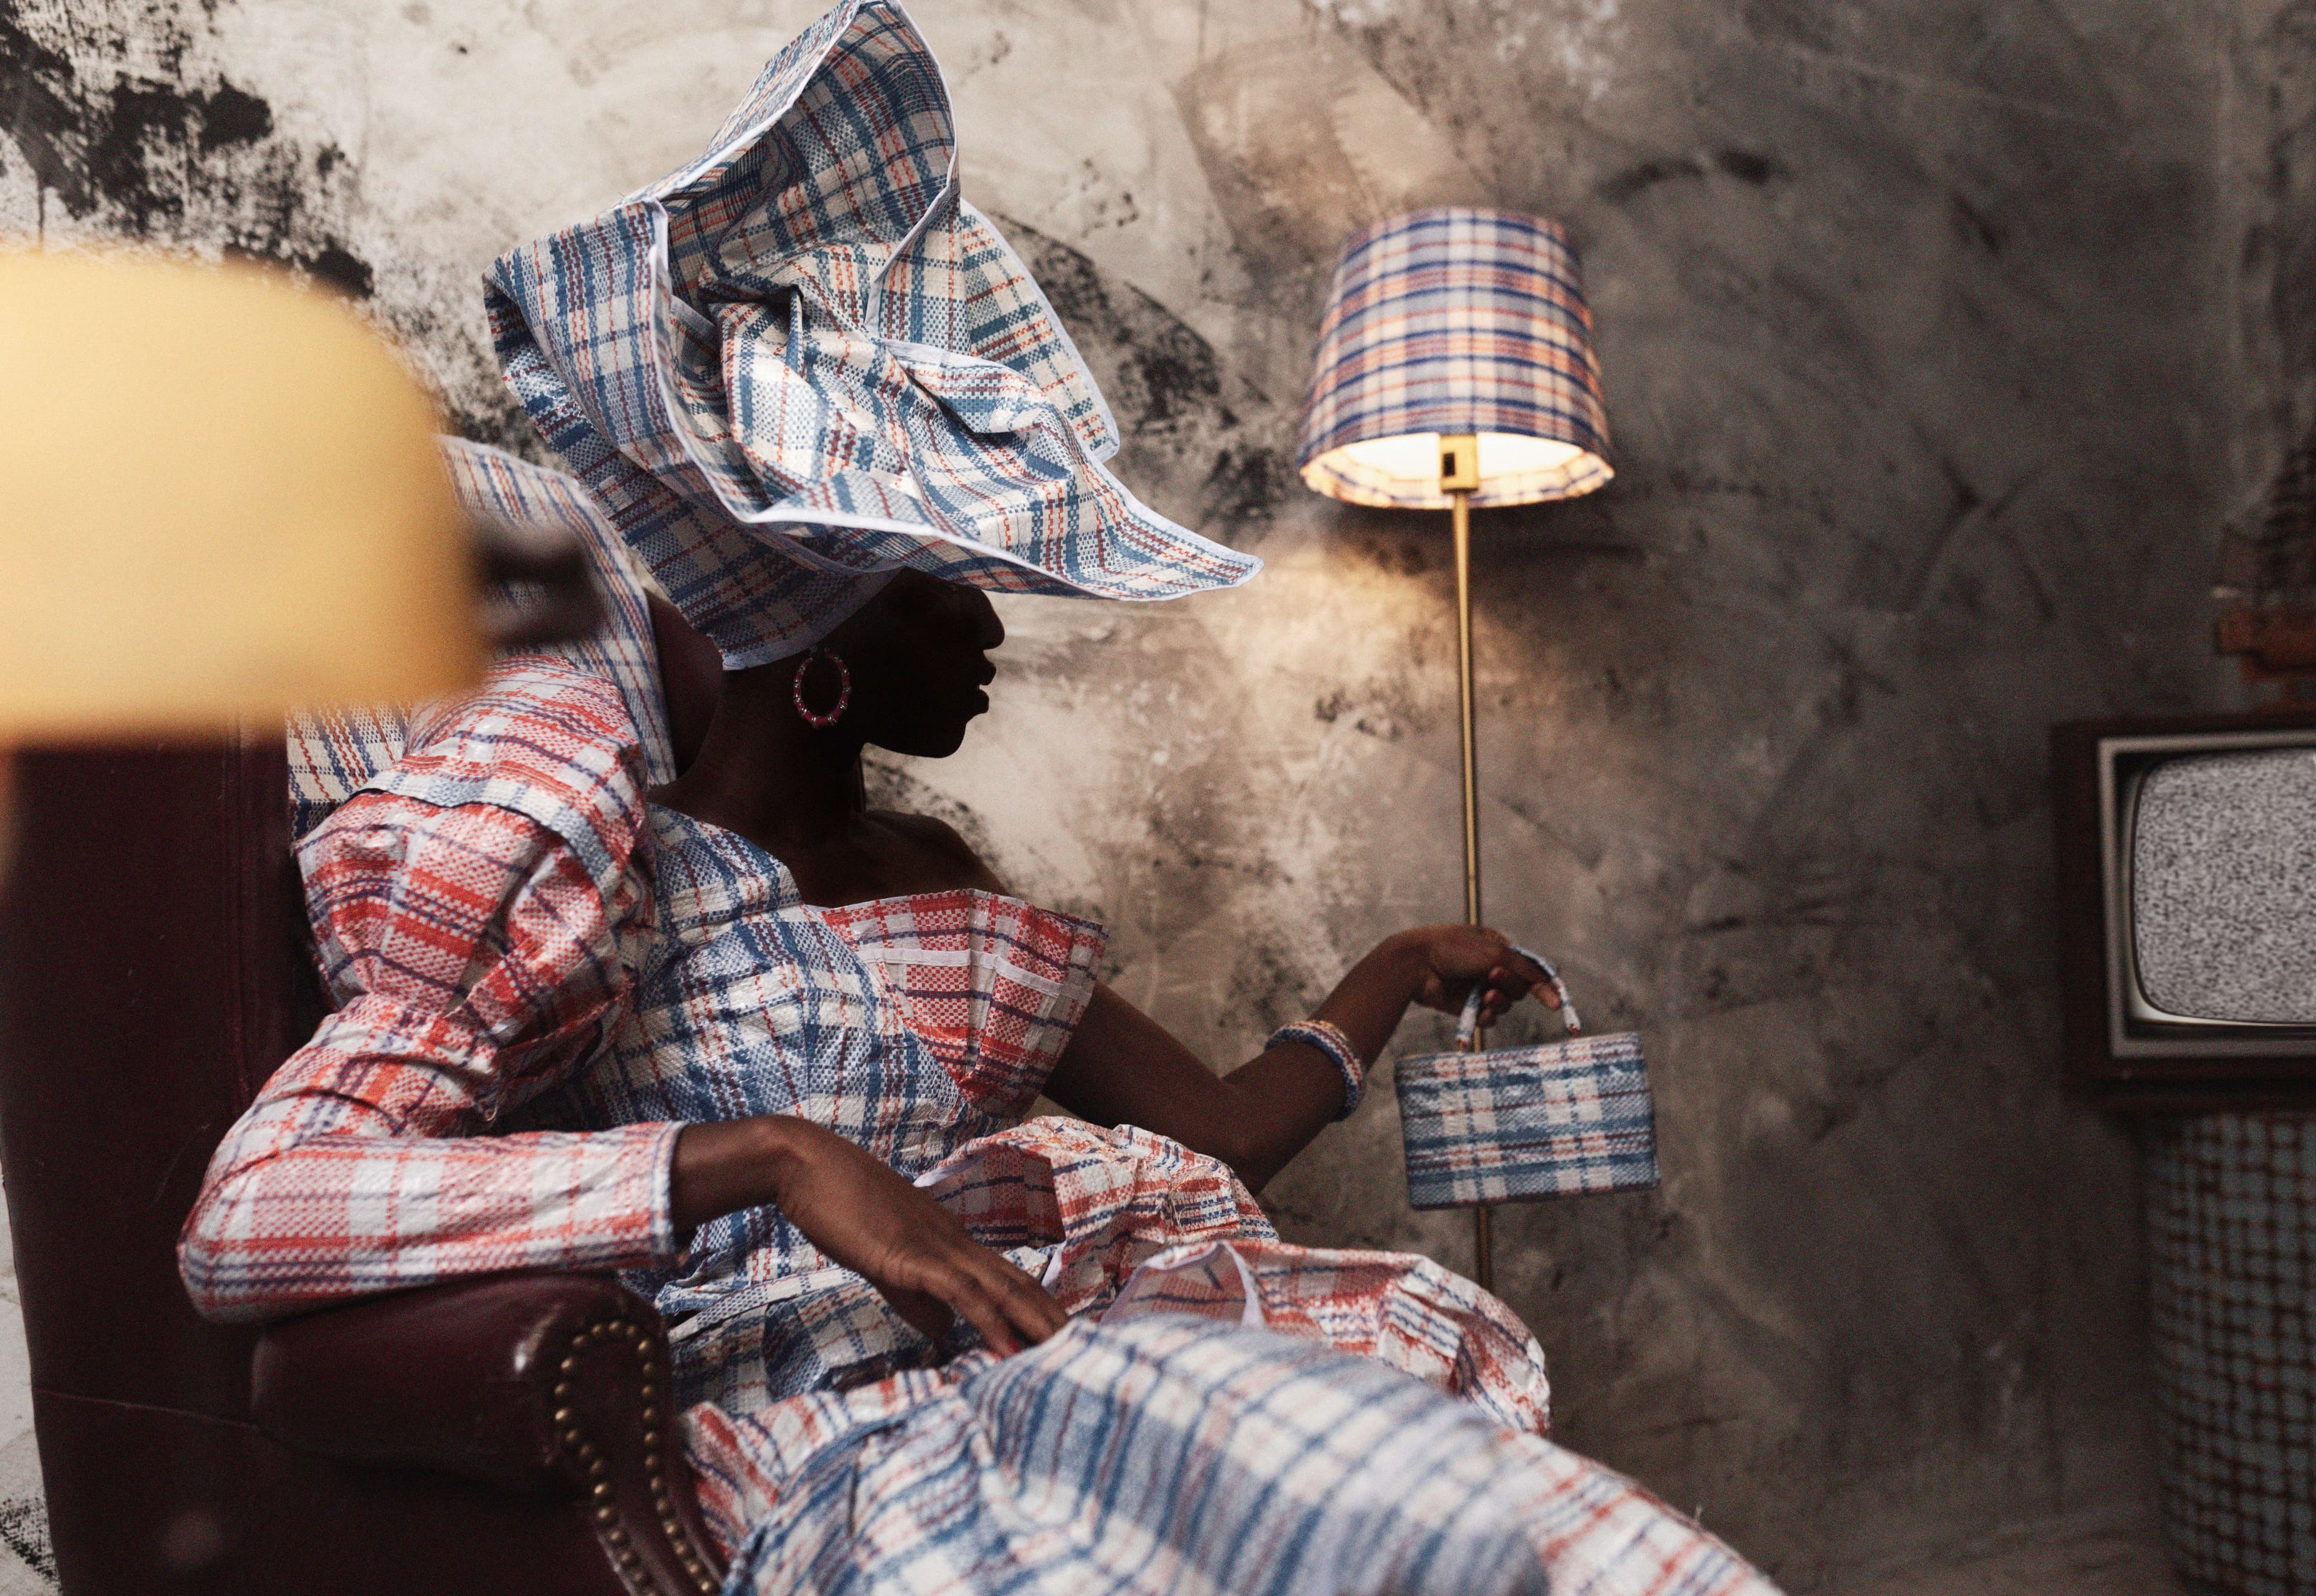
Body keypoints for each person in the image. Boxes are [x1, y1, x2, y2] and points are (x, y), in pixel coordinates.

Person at [180, 2, 1777, 1589]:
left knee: (1473, 1513)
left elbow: (1218, 1134)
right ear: (829, 639)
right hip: (825, 1437)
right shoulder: (569, 852)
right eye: (953, 581)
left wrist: (1397, 971)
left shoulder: (935, 870)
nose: (996, 624)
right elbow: (255, 1212)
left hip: (1072, 1354)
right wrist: (773, 1155)